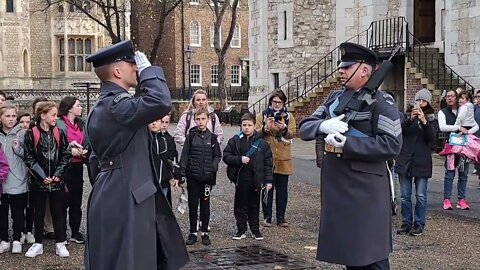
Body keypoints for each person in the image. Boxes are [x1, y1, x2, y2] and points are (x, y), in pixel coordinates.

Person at [84, 40, 188, 270]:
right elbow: (160, 102)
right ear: (118, 71)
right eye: (132, 63)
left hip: (114, 190)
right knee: (130, 261)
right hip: (125, 194)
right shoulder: (117, 105)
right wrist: (150, 72)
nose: (136, 68)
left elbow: (93, 161)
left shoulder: (101, 106)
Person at [298, 42, 402, 269]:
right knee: (349, 256)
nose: (341, 71)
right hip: (339, 192)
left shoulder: (381, 104)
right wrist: (324, 125)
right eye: (341, 67)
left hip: (365, 195)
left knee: (371, 256)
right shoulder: (335, 99)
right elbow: (305, 126)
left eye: (347, 67)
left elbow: (392, 144)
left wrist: (348, 143)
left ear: (365, 70)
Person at [23, 101, 71, 258]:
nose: (55, 118)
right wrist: (42, 177)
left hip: (56, 181)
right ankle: (38, 243)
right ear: (43, 115)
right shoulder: (32, 134)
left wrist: (58, 174)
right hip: (39, 182)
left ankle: (60, 243)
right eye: (53, 115)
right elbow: (29, 158)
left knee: (58, 212)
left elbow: (66, 154)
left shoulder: (59, 133)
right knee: (39, 212)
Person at [223, 112, 273, 241]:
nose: (246, 128)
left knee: (254, 205)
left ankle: (255, 229)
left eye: (249, 125)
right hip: (241, 177)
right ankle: (241, 229)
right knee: (240, 204)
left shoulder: (262, 143)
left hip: (256, 178)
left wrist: (268, 180)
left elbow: (268, 163)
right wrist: (239, 159)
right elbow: (226, 156)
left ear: (254, 126)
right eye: (244, 125)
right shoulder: (235, 141)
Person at [395, 88, 436, 236]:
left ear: (428, 103)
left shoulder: (431, 119)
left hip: (422, 161)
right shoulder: (407, 116)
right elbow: (400, 132)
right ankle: (406, 222)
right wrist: (411, 119)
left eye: (423, 101)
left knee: (420, 195)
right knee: (405, 195)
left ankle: (419, 223)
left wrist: (424, 122)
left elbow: (432, 141)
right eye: (418, 100)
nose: (420, 103)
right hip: (405, 159)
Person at [180, 107, 221, 246]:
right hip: (193, 177)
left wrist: (213, 166)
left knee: (205, 205)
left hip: (207, 178)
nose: (200, 122)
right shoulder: (191, 136)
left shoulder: (213, 138)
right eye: (198, 119)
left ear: (208, 119)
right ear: (194, 120)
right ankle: (193, 232)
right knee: (193, 205)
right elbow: (184, 155)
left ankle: (204, 232)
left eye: (203, 119)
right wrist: (182, 172)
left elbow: (217, 155)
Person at [255, 90, 296, 227]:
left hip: (283, 158)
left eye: (280, 102)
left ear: (284, 103)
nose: (277, 105)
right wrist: (265, 129)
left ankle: (281, 217)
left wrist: (284, 129)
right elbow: (255, 134)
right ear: (270, 102)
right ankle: (267, 217)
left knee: (282, 189)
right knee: (267, 188)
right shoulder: (262, 115)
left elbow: (292, 134)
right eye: (274, 102)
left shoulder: (289, 116)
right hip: (267, 157)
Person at [438, 89, 477, 210]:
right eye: (447, 96)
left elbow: (475, 125)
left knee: (463, 174)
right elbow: (442, 127)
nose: (450, 98)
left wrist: (467, 132)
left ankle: (461, 199)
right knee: (449, 173)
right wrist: (459, 127)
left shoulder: (464, 110)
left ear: (457, 97)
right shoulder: (443, 112)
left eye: (452, 96)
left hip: (464, 147)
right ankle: (447, 199)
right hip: (451, 146)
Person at [56, 96, 88, 244]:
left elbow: (86, 141)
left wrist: (84, 151)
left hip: (78, 166)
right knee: (63, 202)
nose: (81, 108)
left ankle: (75, 232)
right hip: (64, 167)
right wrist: (70, 151)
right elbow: (56, 144)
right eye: (78, 105)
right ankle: (61, 234)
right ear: (69, 108)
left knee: (76, 201)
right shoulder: (59, 124)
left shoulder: (81, 124)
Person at [0, 104, 29, 254]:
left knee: (18, 211)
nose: (11, 119)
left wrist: (18, 149)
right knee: (2, 211)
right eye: (7, 116)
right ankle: (4, 239)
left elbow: (29, 156)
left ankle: (17, 239)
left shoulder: (22, 134)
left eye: (13, 116)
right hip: (1, 180)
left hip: (17, 177)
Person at [149, 113, 181, 205]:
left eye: (166, 122)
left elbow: (173, 158)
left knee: (162, 206)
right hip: (149, 181)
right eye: (161, 121)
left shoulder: (169, 139)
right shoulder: (147, 138)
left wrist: (177, 176)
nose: (163, 125)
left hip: (163, 180)